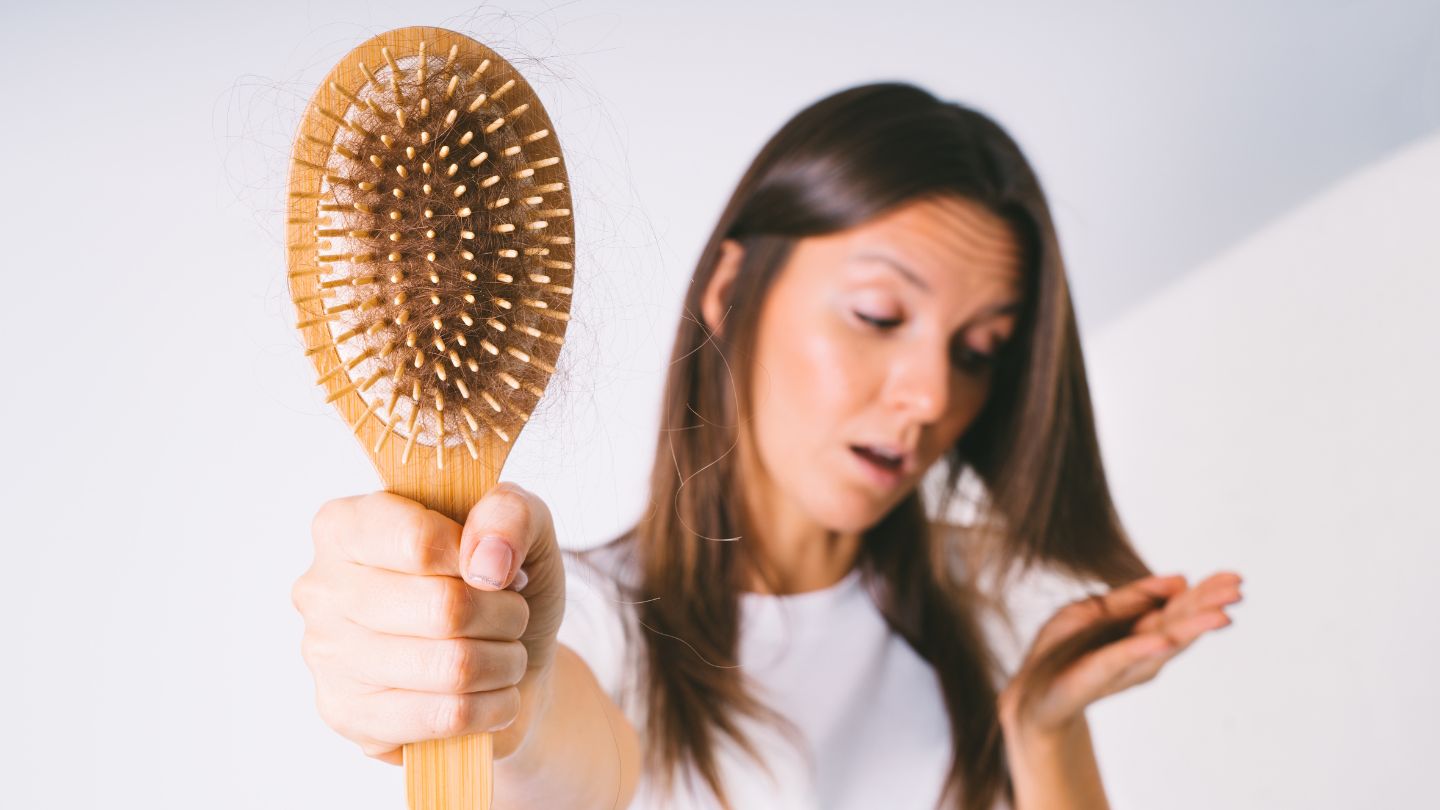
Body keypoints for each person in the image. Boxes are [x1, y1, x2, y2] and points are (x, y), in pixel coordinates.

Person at [291, 82, 1243, 810]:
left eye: (979, 351)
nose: (931, 393)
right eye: (878, 314)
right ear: (731, 289)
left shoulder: (996, 605)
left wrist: (1045, 728)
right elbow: (569, 749)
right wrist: (511, 701)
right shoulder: (588, 622)